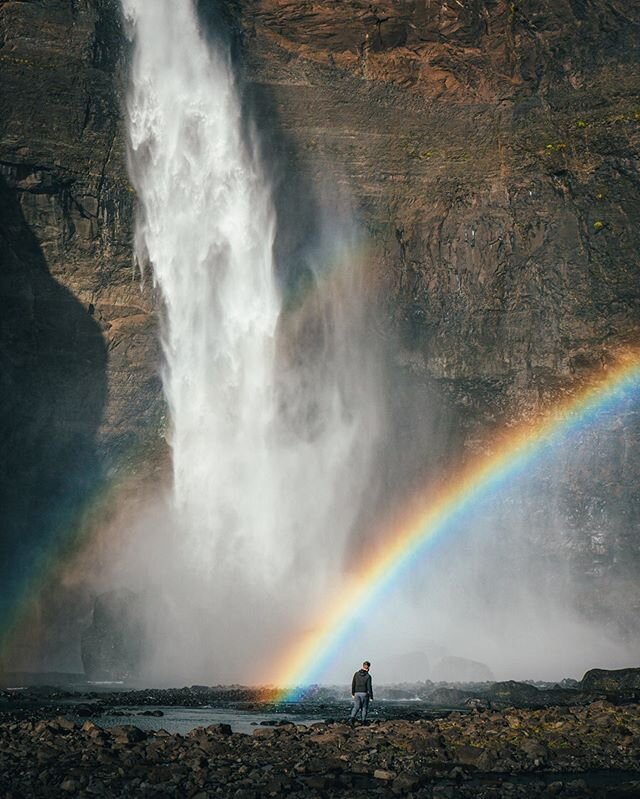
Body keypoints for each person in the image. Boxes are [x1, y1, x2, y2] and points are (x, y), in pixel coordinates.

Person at [350, 660, 373, 725]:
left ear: (363, 666)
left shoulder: (356, 674)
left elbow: (353, 684)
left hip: (356, 693)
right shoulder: (368, 676)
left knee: (356, 707)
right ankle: (363, 721)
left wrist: (352, 693)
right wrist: (371, 696)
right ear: (368, 667)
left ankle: (352, 719)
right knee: (364, 707)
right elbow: (369, 687)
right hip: (364, 693)